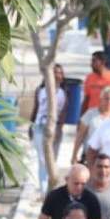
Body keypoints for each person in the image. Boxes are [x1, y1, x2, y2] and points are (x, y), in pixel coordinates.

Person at [32, 165, 103, 219]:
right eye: (76, 183)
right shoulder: (54, 196)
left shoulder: (91, 199)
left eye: (83, 184)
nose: (79, 187)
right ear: (66, 179)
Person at [27, 64, 67, 193]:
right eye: (55, 73)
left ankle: (51, 188)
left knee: (52, 160)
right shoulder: (41, 90)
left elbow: (63, 114)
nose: (57, 75)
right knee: (42, 160)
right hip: (39, 126)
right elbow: (35, 108)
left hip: (54, 129)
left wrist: (59, 129)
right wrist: (30, 126)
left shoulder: (63, 93)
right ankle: (44, 191)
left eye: (60, 73)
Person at [70, 85, 110, 165]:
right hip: (91, 156)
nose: (108, 102)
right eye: (106, 98)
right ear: (101, 99)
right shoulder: (90, 114)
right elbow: (80, 136)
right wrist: (74, 154)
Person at [80, 51, 110, 118]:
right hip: (92, 116)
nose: (91, 64)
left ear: (102, 62)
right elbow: (86, 98)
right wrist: (82, 116)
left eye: (94, 61)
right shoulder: (90, 77)